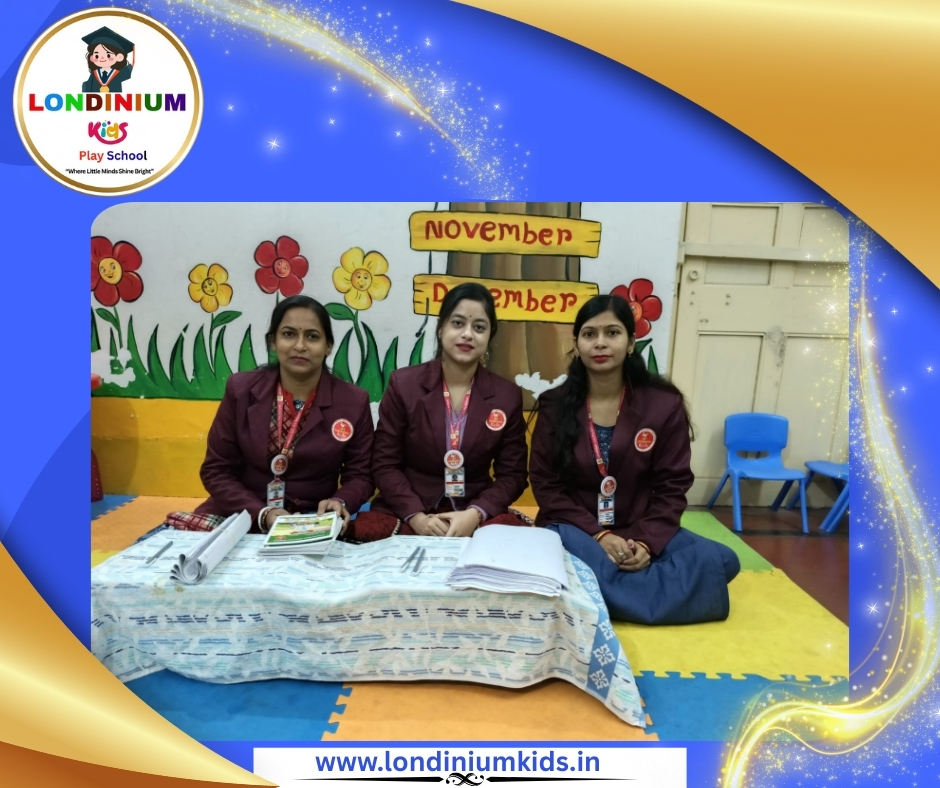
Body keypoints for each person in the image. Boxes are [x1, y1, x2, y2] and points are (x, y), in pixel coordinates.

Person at [530, 294, 740, 625]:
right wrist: (600, 536)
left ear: (630, 342)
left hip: (638, 526)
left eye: (612, 333)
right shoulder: (554, 404)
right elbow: (547, 486)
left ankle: (601, 592)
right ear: (577, 344)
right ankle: (656, 593)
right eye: (589, 334)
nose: (600, 343)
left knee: (725, 560)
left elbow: (672, 486)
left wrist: (646, 542)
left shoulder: (663, 404)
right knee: (555, 551)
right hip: (577, 529)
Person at [347, 282, 529, 541]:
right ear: (441, 328)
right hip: (410, 509)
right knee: (369, 529)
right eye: (458, 323)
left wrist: (475, 514)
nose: (467, 334)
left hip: (472, 509)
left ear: (489, 336)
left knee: (513, 535)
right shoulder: (404, 385)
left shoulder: (506, 395)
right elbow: (384, 464)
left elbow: (512, 475)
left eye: (479, 327)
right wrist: (417, 517)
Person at [183, 295, 374, 534]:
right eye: (289, 334)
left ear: (328, 346)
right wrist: (263, 514)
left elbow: (361, 475)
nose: (300, 346)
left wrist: (341, 501)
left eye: (312, 336)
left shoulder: (353, 401)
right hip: (242, 513)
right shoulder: (241, 390)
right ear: (273, 342)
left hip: (312, 519)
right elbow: (216, 470)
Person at [81, 27, 134, 93]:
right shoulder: (94, 74)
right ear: (91, 58)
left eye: (108, 55)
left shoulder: (120, 73)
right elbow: (88, 86)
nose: (102, 58)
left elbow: (130, 71)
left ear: (119, 57)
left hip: (115, 99)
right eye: (97, 56)